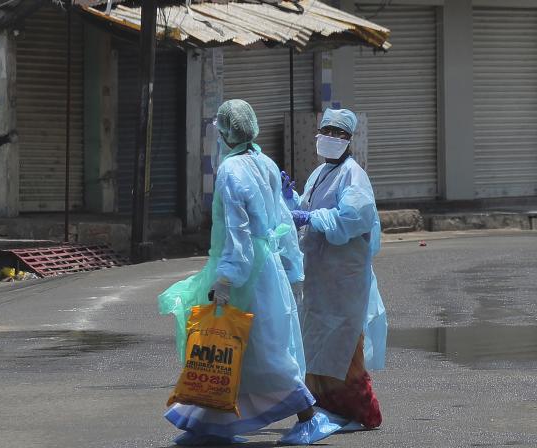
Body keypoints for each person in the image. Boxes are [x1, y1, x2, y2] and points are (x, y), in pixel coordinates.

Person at [158, 100, 340, 446]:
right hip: (269, 267)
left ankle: (308, 415)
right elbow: (283, 219)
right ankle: (209, 425)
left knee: (248, 348)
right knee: (243, 349)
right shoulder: (266, 163)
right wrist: (293, 269)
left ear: (227, 132)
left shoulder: (229, 171)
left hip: (248, 272)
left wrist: (226, 279)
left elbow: (236, 232)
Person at [282, 108, 387, 430]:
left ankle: (363, 413)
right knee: (316, 344)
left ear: (349, 139)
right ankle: (327, 409)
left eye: (338, 134)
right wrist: (290, 198)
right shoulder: (320, 173)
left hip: (344, 279)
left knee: (343, 346)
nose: (330, 138)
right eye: (326, 131)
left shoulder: (354, 175)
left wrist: (312, 218)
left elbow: (354, 219)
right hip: (320, 278)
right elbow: (306, 210)